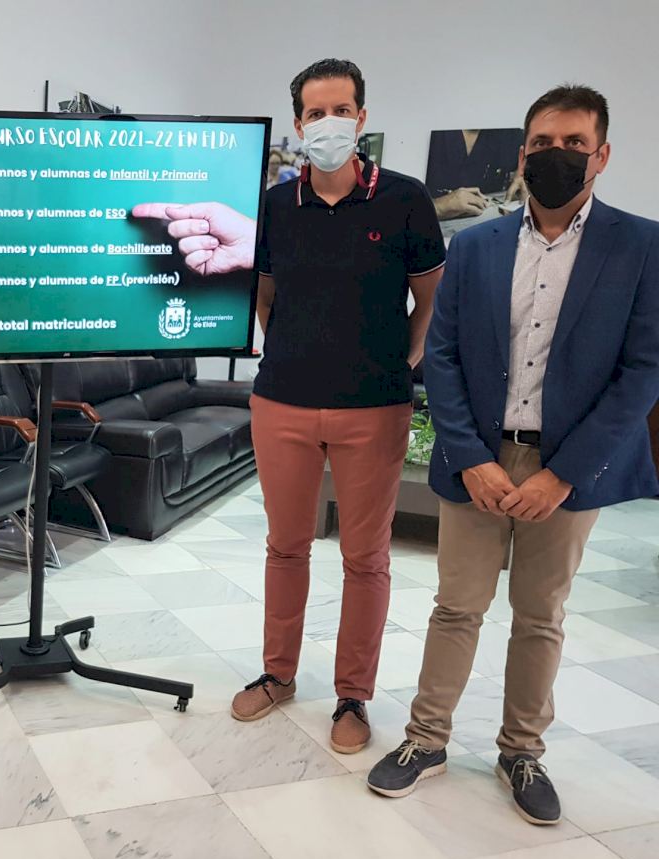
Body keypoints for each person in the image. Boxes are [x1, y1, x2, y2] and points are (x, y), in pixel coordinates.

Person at [368, 85, 659, 825]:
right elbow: (443, 355)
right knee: (456, 606)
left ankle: (522, 750)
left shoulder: (641, 246)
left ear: (601, 154)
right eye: (543, 143)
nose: (557, 155)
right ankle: (426, 739)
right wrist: (470, 456)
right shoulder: (475, 245)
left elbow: (642, 371)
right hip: (481, 459)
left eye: (574, 144)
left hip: (568, 467)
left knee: (540, 615)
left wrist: (564, 475)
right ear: (523, 153)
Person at [136, 58, 446, 754]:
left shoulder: (405, 199)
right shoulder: (277, 206)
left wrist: (400, 365)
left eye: (342, 110)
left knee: (365, 557)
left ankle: (353, 697)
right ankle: (278, 674)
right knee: (286, 546)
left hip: (375, 408)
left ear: (361, 118)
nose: (329, 123)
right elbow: (266, 299)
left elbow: (430, 301)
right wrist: (297, 353)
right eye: (315, 113)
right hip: (283, 402)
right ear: (298, 124)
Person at [426, 128, 524, 219]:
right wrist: (438, 207)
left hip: (488, 221)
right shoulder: (432, 132)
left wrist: (524, 174)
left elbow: (524, 159)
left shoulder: (508, 132)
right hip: (432, 223)